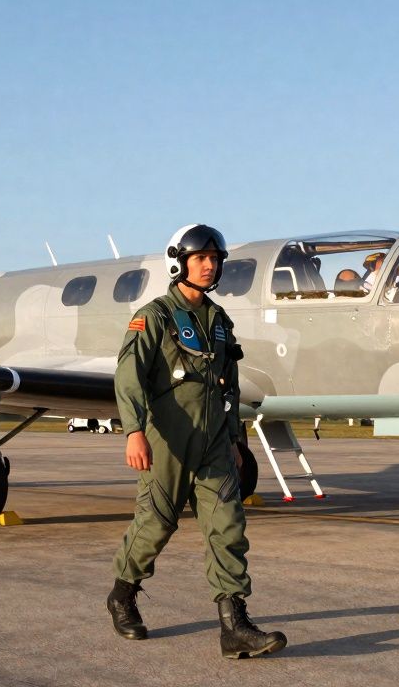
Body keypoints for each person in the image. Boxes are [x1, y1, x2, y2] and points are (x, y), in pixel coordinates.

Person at [106, 223, 286, 659]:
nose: (209, 266)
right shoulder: (155, 317)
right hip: (166, 441)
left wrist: (234, 441)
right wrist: (133, 432)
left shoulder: (219, 322)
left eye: (215, 259)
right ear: (180, 261)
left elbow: (228, 387)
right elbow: (128, 375)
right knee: (157, 524)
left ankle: (234, 626)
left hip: (213, 446)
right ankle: (122, 595)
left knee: (227, 527)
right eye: (200, 258)